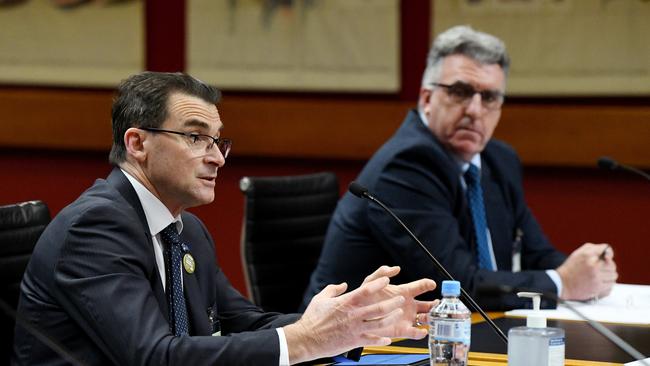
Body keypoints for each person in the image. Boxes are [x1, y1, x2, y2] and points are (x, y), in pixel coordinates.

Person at [13, 71, 438, 365]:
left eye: (219, 142)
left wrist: (350, 322)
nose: (217, 158)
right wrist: (307, 338)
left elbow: (249, 323)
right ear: (137, 143)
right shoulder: (96, 228)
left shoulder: (185, 230)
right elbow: (155, 357)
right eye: (196, 137)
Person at [302, 25, 618, 311]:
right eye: (460, 92)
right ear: (427, 98)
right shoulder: (406, 166)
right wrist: (563, 283)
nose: (474, 110)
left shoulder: (498, 160)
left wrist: (586, 269)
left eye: (490, 97)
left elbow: (538, 253)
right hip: (360, 347)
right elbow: (459, 287)